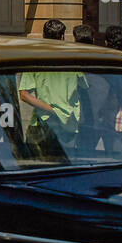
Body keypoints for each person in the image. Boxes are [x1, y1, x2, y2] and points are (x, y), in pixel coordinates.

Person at [19, 19, 84, 160]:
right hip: (69, 121)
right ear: (62, 37)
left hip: (44, 120)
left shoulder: (36, 58)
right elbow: (84, 86)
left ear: (43, 36)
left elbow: (24, 95)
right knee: (68, 167)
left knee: (41, 167)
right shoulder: (74, 58)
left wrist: (50, 109)